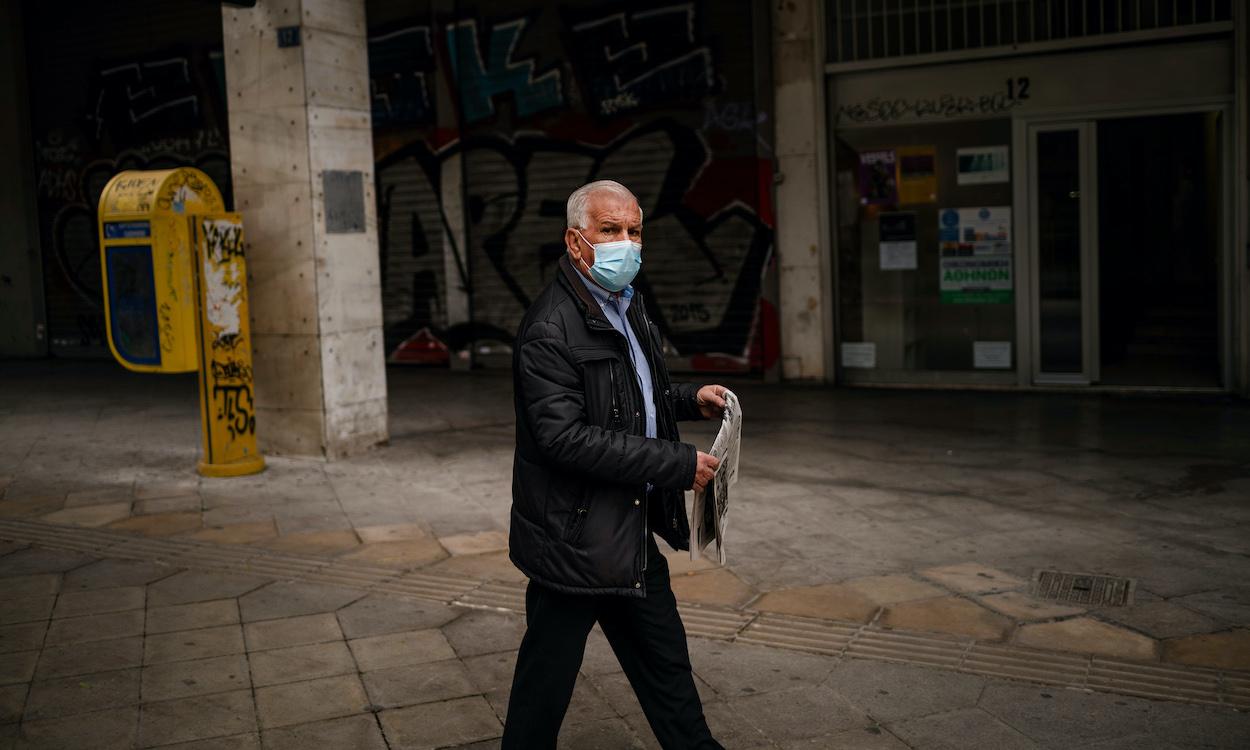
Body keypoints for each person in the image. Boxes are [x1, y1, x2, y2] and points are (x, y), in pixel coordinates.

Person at [502, 180, 729, 749]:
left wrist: (687, 398)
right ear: (576, 242)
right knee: (543, 692)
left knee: (668, 671)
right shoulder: (549, 327)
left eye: (634, 231)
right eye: (611, 231)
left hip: (626, 532)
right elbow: (564, 437)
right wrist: (675, 463)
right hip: (572, 541)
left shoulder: (625, 306)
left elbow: (632, 396)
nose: (626, 243)